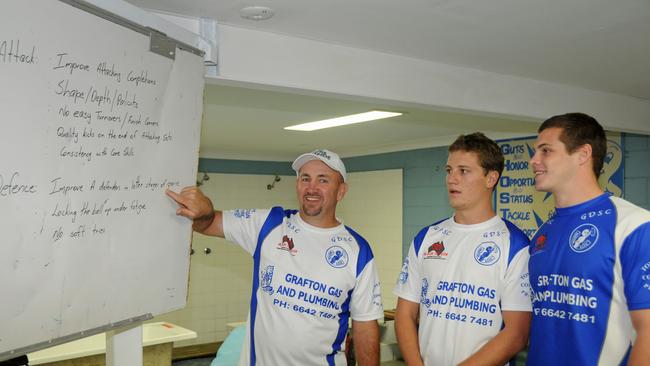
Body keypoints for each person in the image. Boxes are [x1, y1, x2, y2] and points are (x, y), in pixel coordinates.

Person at [167, 149, 383, 366]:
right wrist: (204, 211)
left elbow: (365, 329)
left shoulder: (358, 251)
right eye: (305, 178)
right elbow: (209, 223)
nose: (311, 187)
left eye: (323, 180)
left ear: (341, 191)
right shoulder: (269, 224)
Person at [394, 132, 532, 366]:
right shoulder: (426, 238)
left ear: (491, 178)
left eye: (463, 171)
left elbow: (516, 334)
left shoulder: (515, 245)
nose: (451, 179)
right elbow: (405, 314)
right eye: (449, 170)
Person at [526, 113, 650, 365]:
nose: (533, 161)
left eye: (545, 151)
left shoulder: (634, 226)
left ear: (583, 154)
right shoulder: (543, 233)